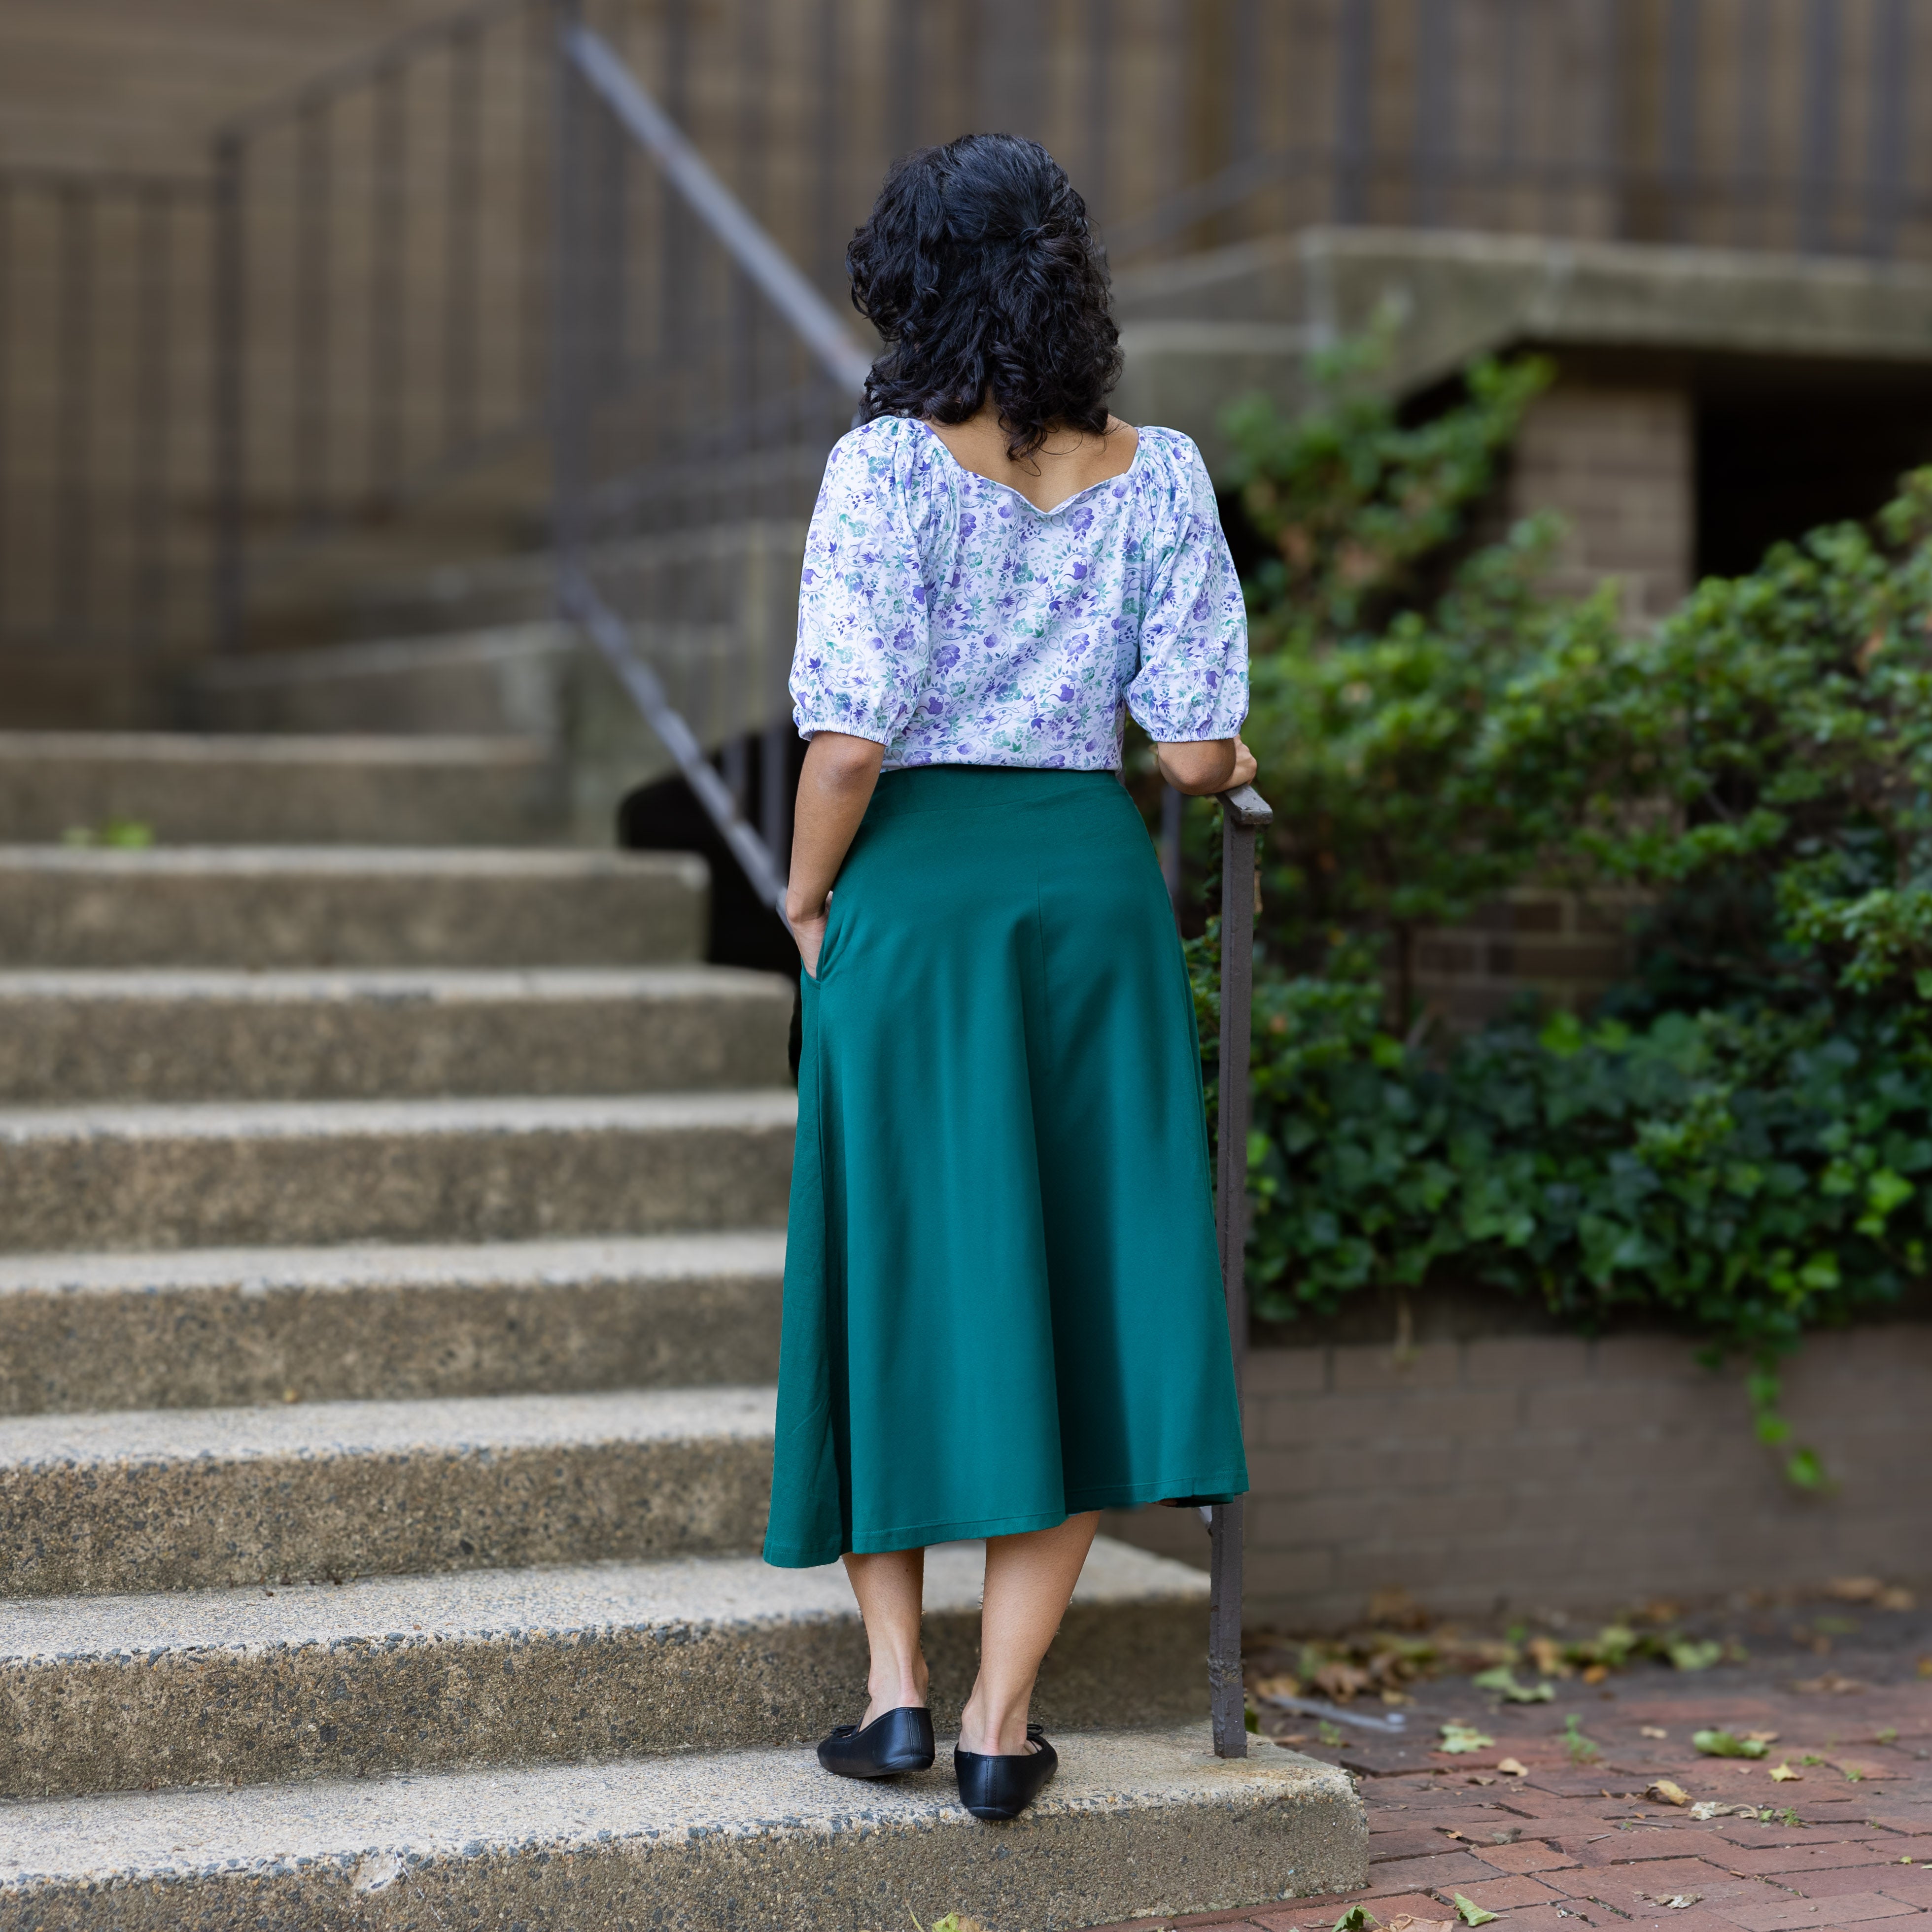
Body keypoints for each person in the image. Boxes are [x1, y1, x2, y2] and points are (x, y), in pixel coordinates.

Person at [764, 130, 1254, 1825]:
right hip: (1082, 901)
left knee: (888, 1266)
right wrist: (1238, 740)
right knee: (1084, 1294)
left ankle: (893, 1693)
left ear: (911, 289)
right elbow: (1196, 757)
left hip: (916, 893)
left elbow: (846, 739)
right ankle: (998, 1720)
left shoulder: (886, 469)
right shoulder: (1166, 473)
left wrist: (807, 897)